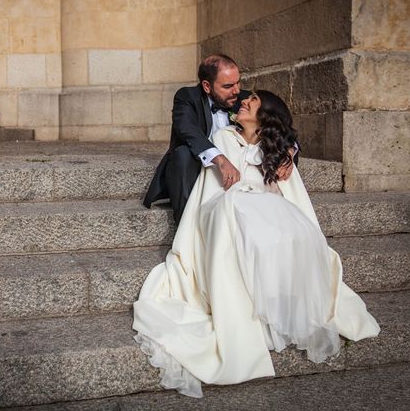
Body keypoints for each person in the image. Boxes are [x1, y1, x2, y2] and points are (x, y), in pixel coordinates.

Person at [132, 90, 380, 398]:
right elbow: (215, 186)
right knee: (240, 213)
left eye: (252, 103)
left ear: (264, 119)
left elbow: (283, 181)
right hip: (223, 202)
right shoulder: (223, 136)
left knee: (284, 226)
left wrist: (289, 151)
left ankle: (275, 307)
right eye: (244, 98)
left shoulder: (274, 148)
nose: (243, 101)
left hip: (262, 205)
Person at [143, 54, 294, 224]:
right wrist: (220, 160)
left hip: (239, 171)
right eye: (228, 85)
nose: (237, 90)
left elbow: (279, 122)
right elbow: (187, 129)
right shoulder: (187, 97)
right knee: (182, 154)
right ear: (207, 86)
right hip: (198, 166)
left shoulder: (244, 99)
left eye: (238, 82)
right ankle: (187, 227)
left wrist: (289, 149)